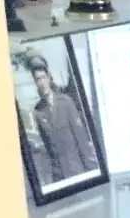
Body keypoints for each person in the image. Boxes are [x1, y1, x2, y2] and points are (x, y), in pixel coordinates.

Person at [24, 54, 101, 187]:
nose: (41, 83)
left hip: (77, 171)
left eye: (43, 78)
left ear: (49, 78)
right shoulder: (38, 111)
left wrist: (91, 171)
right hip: (59, 176)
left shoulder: (66, 103)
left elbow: (81, 141)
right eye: (37, 79)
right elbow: (48, 147)